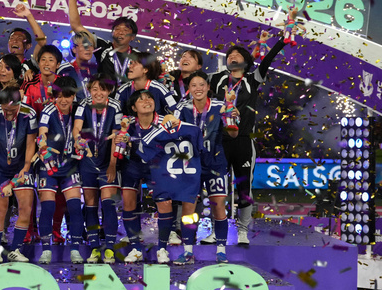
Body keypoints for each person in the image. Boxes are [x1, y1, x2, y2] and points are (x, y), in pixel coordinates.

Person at [208, 32, 286, 246]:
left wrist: (282, 40)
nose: (232, 56)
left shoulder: (253, 78)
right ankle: (217, 231)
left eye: (237, 54)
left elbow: (268, 59)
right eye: (229, 54)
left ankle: (243, 231)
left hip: (243, 141)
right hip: (219, 141)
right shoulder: (216, 79)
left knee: (244, 189)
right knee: (217, 188)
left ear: (246, 60)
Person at [111, 89, 202, 263]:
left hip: (157, 166)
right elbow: (119, 146)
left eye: (149, 98)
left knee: (165, 204)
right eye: (141, 100)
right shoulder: (127, 123)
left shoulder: (165, 122)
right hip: (133, 165)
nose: (146, 101)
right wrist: (120, 144)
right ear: (133, 107)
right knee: (128, 202)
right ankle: (136, 249)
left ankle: (162, 249)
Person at [173, 71, 237, 264]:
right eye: (193, 85)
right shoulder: (180, 108)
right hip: (190, 165)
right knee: (188, 209)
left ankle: (221, 251)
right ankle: (188, 251)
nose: (198, 88)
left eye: (202, 85)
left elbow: (233, 135)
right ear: (188, 89)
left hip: (215, 163)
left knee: (219, 206)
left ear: (208, 87)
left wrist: (231, 119)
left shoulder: (221, 106)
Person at [72, 74, 124, 263]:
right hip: (87, 160)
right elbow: (76, 128)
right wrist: (78, 140)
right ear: (89, 90)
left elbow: (117, 136)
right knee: (91, 204)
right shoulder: (83, 105)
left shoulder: (116, 106)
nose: (98, 93)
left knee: (109, 203)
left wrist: (112, 165)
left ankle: (109, 248)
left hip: (106, 161)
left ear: (108, 91)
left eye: (102, 89)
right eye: (94, 89)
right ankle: (94, 248)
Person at [34, 76, 86, 264]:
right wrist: (43, 148)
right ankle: (46, 250)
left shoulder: (79, 109)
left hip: (70, 165)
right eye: (60, 96)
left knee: (74, 207)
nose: (64, 100)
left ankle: (75, 250)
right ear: (54, 96)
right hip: (49, 166)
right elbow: (41, 133)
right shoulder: (48, 110)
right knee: (47, 207)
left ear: (73, 95)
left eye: (68, 96)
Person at [0, 88, 37, 263]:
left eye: (12, 111)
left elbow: (30, 144)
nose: (8, 114)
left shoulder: (30, 114)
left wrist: (26, 167)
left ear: (20, 105)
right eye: (5, 110)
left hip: (21, 165)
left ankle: (16, 250)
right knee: (0, 208)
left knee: (26, 207)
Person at [66, 0, 137, 85]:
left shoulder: (138, 56)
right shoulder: (103, 46)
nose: (121, 32)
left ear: (133, 36)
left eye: (126, 30)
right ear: (112, 33)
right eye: (117, 29)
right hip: (103, 98)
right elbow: (76, 26)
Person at [115, 52, 177, 117]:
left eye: (135, 63)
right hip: (132, 126)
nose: (130, 66)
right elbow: (115, 114)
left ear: (145, 69)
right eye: (131, 63)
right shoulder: (123, 90)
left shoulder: (158, 89)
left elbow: (175, 112)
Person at [57, 29, 100, 102]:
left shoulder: (96, 69)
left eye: (91, 45)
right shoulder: (63, 69)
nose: (88, 49)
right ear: (74, 49)